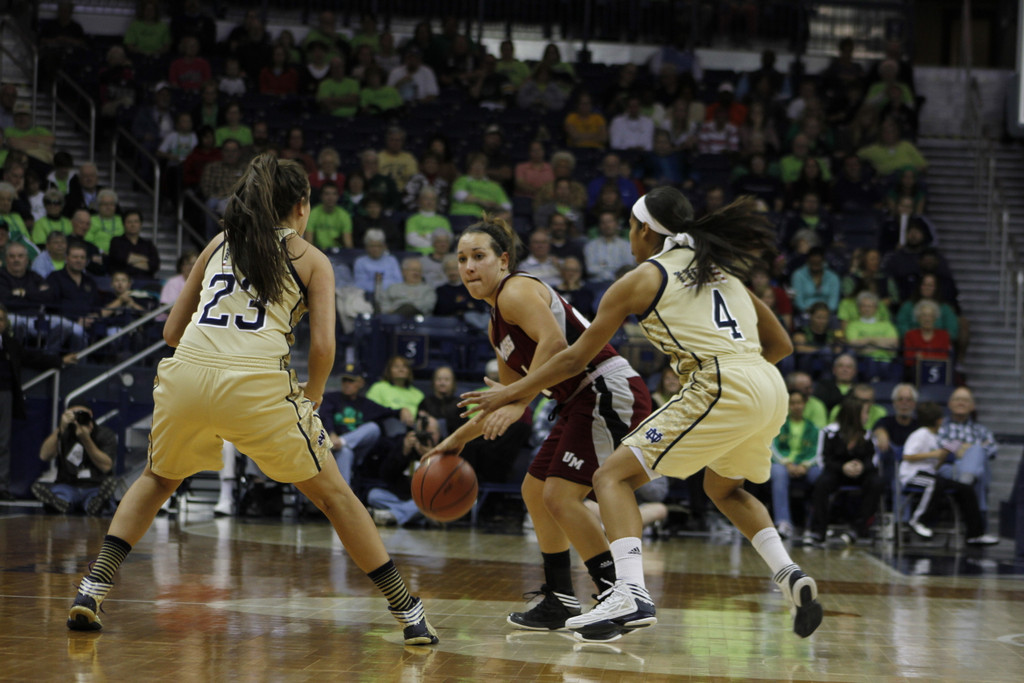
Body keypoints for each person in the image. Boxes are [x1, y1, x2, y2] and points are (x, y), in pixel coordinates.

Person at [64, 154, 439, 646]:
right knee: (334, 497)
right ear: (302, 207)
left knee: (157, 479)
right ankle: (408, 613)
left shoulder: (220, 242)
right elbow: (324, 347)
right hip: (257, 382)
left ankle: (93, 587)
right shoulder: (312, 259)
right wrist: (315, 393)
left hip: (188, 373)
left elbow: (171, 330)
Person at [462, 188, 822, 642]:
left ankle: (629, 591)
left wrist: (511, 394)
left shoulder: (640, 279)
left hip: (719, 382)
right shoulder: (723, 273)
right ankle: (788, 574)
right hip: (770, 387)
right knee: (724, 489)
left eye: (630, 226)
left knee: (610, 478)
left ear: (644, 229)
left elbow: (573, 360)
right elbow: (783, 346)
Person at [426, 214, 652, 634]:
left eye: (479, 256)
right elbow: (505, 398)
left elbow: (554, 344)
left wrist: (518, 399)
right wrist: (454, 442)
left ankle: (616, 594)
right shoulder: (497, 327)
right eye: (461, 259)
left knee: (561, 495)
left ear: (503, 260)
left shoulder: (515, 291)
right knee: (536, 490)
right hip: (578, 402)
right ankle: (561, 598)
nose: (469, 267)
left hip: (605, 388)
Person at [0, 303, 76, 500]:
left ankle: (2, 486)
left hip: (5, 394)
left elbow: (32, 358)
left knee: (3, 442)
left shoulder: (10, 343)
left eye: (0, 319)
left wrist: (59, 361)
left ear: (5, 323)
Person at [900, 401, 998, 545]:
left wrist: (943, 454)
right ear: (939, 420)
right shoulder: (920, 434)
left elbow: (935, 464)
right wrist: (934, 454)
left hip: (930, 474)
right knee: (935, 482)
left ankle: (975, 533)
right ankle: (919, 521)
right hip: (912, 476)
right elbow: (907, 455)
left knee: (965, 489)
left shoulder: (935, 437)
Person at [807, 395, 883, 546]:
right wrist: (843, 467)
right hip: (836, 472)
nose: (867, 417)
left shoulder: (867, 435)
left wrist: (861, 467)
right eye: (865, 413)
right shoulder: (830, 432)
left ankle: (857, 528)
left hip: (861, 474)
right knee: (822, 483)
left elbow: (873, 461)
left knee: (876, 482)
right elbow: (823, 459)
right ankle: (819, 531)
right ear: (853, 415)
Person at [32, 400, 118, 515]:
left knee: (97, 499)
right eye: (74, 414)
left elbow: (106, 466)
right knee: (62, 495)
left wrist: (86, 439)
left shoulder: (104, 434)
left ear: (90, 414)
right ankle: (57, 503)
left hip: (96, 485)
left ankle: (99, 505)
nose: (78, 418)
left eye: (82, 414)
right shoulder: (64, 433)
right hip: (68, 485)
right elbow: (44, 455)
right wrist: (60, 429)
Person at [319, 361, 398, 485]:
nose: (347, 384)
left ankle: (343, 441)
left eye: (351, 381)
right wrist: (331, 433)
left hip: (358, 450)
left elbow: (388, 412)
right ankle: (344, 498)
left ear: (361, 383)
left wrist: (403, 411)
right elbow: (324, 417)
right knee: (345, 451)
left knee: (373, 428)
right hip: (332, 450)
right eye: (345, 380)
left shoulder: (366, 404)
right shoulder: (331, 398)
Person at [936, 387, 998, 529]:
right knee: (980, 469)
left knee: (978, 455)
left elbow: (993, 449)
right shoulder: (941, 427)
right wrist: (974, 449)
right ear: (950, 404)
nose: (961, 403)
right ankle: (980, 526)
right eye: (957, 399)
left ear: (972, 406)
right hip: (949, 468)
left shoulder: (981, 429)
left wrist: (968, 450)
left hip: (969, 470)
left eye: (965, 400)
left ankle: (965, 482)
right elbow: (940, 447)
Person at [770, 390, 821, 539]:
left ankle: (814, 523)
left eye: (799, 403)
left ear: (804, 404)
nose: (796, 406)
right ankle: (783, 522)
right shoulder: (778, 424)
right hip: (783, 464)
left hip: (806, 464)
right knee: (778, 473)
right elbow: (773, 447)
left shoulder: (813, 428)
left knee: (820, 477)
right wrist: (787, 463)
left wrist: (805, 465)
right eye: (792, 403)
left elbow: (817, 451)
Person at [107, 210, 160, 281]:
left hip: (146, 282)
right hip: (123, 283)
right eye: (129, 222)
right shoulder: (116, 241)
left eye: (136, 221)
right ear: (123, 224)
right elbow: (120, 258)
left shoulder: (148, 244)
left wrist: (130, 260)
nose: (133, 225)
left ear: (140, 224)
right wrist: (145, 260)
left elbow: (154, 265)